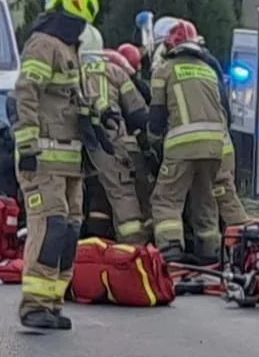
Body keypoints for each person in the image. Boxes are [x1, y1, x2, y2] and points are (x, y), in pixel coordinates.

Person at [13, 0, 106, 331]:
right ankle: (33, 303)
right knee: (49, 225)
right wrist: (27, 147)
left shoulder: (70, 49)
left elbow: (70, 100)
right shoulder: (43, 44)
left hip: (70, 161)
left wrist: (97, 116)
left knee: (69, 230)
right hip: (44, 157)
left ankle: (52, 300)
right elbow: (27, 93)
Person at [148, 19, 228, 263]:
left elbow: (157, 118)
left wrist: (153, 142)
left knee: (166, 199)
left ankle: (171, 250)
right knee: (204, 198)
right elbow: (225, 108)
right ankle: (210, 252)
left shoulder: (164, 70)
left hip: (182, 146)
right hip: (216, 146)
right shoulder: (208, 69)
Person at [81, 48, 150, 244]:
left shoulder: (70, 72)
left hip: (74, 147)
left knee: (93, 198)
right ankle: (133, 250)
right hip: (111, 142)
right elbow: (138, 114)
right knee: (124, 196)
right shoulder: (114, 71)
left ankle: (91, 249)